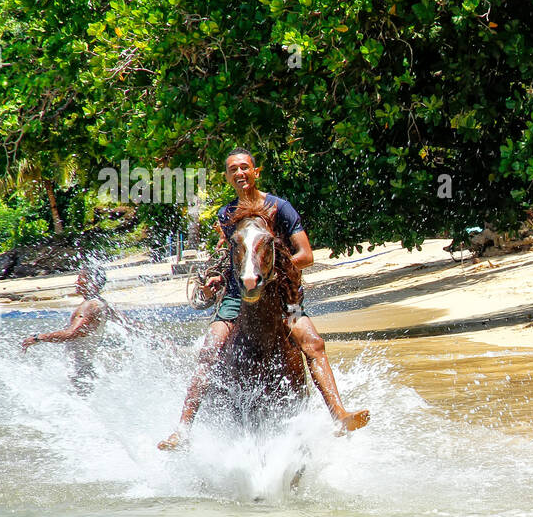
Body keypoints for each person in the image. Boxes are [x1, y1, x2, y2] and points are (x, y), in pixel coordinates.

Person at [158, 148, 369, 449]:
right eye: (233, 169)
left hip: (280, 290)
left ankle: (339, 414)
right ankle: (183, 429)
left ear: (256, 172)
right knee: (211, 346)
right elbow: (230, 254)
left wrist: (271, 269)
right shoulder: (226, 214)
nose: (239, 173)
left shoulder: (280, 208)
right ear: (228, 177)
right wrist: (219, 275)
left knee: (313, 342)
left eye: (244, 167)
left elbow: (306, 255)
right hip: (236, 294)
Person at [20, 266, 123, 392]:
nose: (77, 282)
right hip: (86, 367)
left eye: (81, 279)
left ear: (93, 283)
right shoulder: (103, 304)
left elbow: (72, 333)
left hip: (79, 370)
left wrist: (38, 338)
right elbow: (128, 324)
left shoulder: (89, 306)